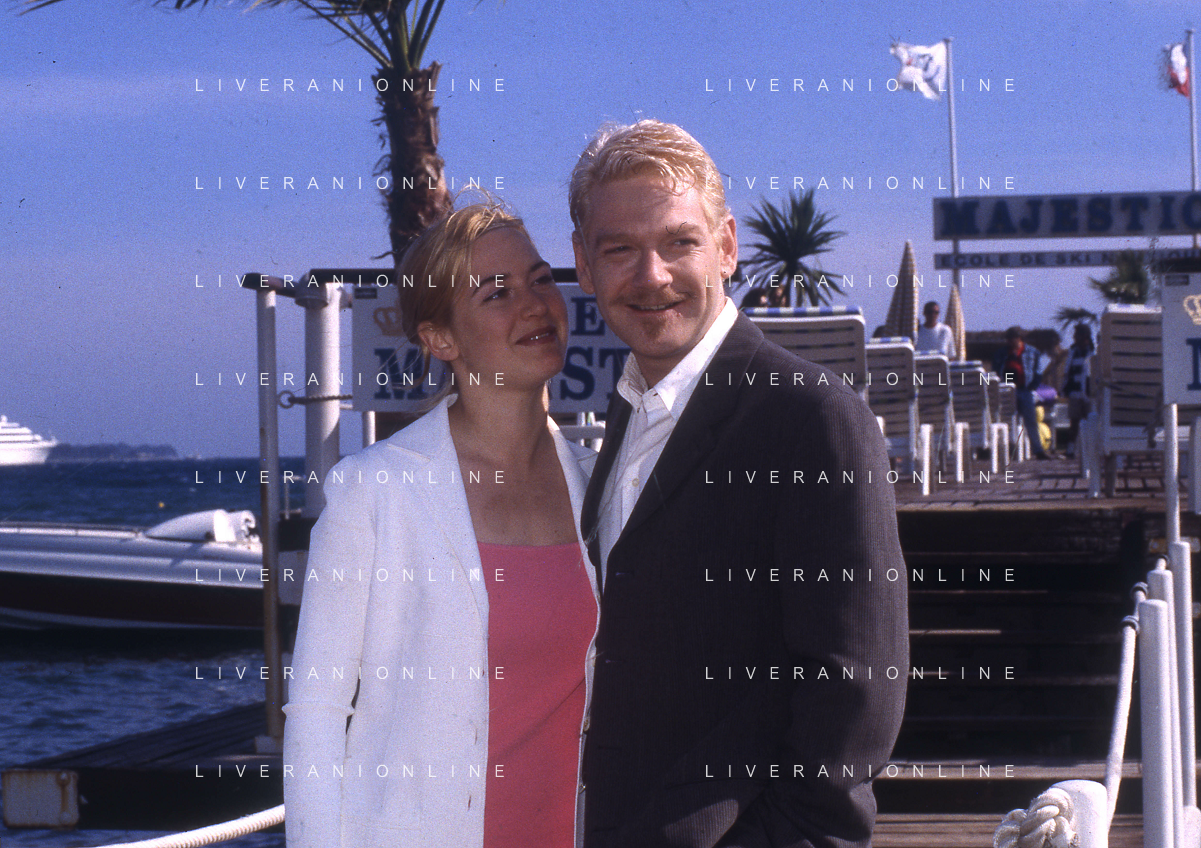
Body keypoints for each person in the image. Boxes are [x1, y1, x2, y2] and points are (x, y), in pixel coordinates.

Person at [569, 119, 908, 848]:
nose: (651, 275)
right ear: (583, 265)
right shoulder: (633, 409)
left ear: (726, 247)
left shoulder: (811, 418)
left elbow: (855, 698)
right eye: (619, 249)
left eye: (678, 243)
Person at [283, 201, 599, 848]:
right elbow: (317, 712)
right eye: (497, 293)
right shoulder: (375, 491)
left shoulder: (602, 486)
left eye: (540, 279)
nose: (535, 305)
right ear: (440, 340)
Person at [993, 325, 1051, 460]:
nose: (1009, 341)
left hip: (1025, 389)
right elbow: (997, 370)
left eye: (1011, 338)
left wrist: (1032, 386)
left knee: (1031, 421)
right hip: (1007, 390)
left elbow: (1038, 371)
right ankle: (1007, 450)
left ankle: (1038, 450)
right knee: (1006, 419)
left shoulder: (1032, 352)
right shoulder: (1002, 353)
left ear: (1019, 338)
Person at [1062, 323, 1094, 458]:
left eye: (1077, 335)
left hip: (1090, 394)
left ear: (1084, 336)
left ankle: (1090, 450)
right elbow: (1067, 372)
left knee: (1091, 422)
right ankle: (1070, 451)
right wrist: (1065, 389)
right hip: (1075, 393)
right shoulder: (1073, 352)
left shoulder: (1093, 352)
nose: (1074, 337)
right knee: (1074, 422)